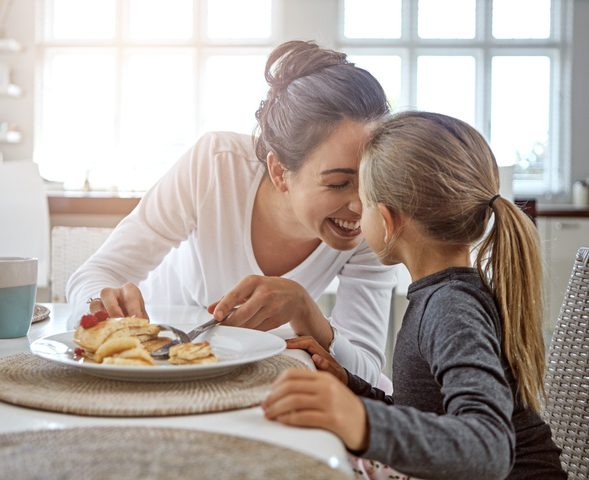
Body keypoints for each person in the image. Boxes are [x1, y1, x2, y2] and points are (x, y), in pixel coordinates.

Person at [66, 40, 397, 385]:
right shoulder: (215, 165)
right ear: (281, 172)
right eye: (338, 184)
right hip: (159, 357)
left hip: (255, 367)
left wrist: (304, 309)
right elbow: (101, 271)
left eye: (373, 178)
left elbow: (368, 374)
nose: (362, 205)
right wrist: (97, 311)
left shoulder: (379, 216)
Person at [262, 111, 566, 479]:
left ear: (389, 220)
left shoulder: (450, 307)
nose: (356, 209)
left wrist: (360, 421)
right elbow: (428, 417)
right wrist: (350, 386)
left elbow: (490, 448)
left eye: (364, 199)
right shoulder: (443, 296)